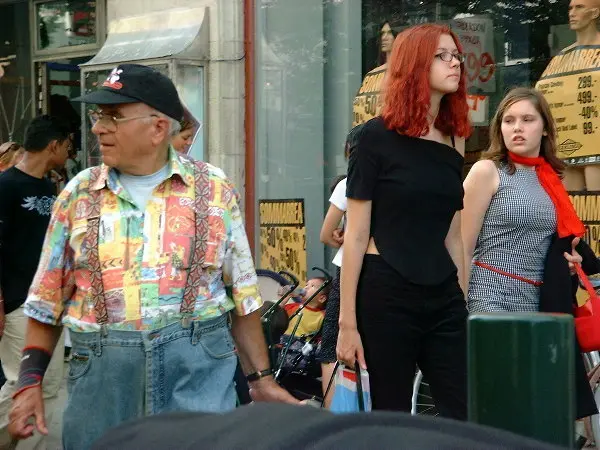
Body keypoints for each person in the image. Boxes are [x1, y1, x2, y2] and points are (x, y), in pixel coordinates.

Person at [7, 63, 297, 450]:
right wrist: (29, 384)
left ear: (158, 127)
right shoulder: (79, 193)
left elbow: (242, 296)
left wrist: (260, 379)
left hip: (197, 374)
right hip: (102, 381)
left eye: (112, 116)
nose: (97, 128)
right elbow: (47, 303)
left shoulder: (212, 188)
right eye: (98, 116)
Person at [336, 23, 471, 418]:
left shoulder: (453, 138)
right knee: (390, 414)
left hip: (443, 293)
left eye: (457, 56)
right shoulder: (374, 138)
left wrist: (460, 297)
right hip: (386, 290)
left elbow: (454, 233)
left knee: (463, 409)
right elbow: (356, 235)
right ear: (414, 64)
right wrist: (347, 323)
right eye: (442, 56)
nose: (455, 63)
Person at [462, 87, 599, 419]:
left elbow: (552, 241)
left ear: (545, 128)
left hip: (538, 300)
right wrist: (457, 302)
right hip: (489, 292)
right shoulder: (487, 171)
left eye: (527, 119)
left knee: (532, 399)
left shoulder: (550, 179)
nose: (517, 128)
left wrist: (569, 262)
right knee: (501, 397)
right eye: (508, 121)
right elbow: (462, 244)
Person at [0, 116, 72, 449]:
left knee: (49, 387)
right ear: (54, 145)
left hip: (48, 305)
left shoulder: (49, 187)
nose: (70, 153)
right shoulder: (6, 186)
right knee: (21, 383)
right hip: (16, 304)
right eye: (68, 146)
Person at [317, 125, 362, 408]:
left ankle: (333, 412)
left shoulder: (349, 183)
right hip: (380, 270)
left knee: (332, 342)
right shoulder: (388, 180)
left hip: (347, 268)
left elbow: (325, 233)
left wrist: (342, 240)